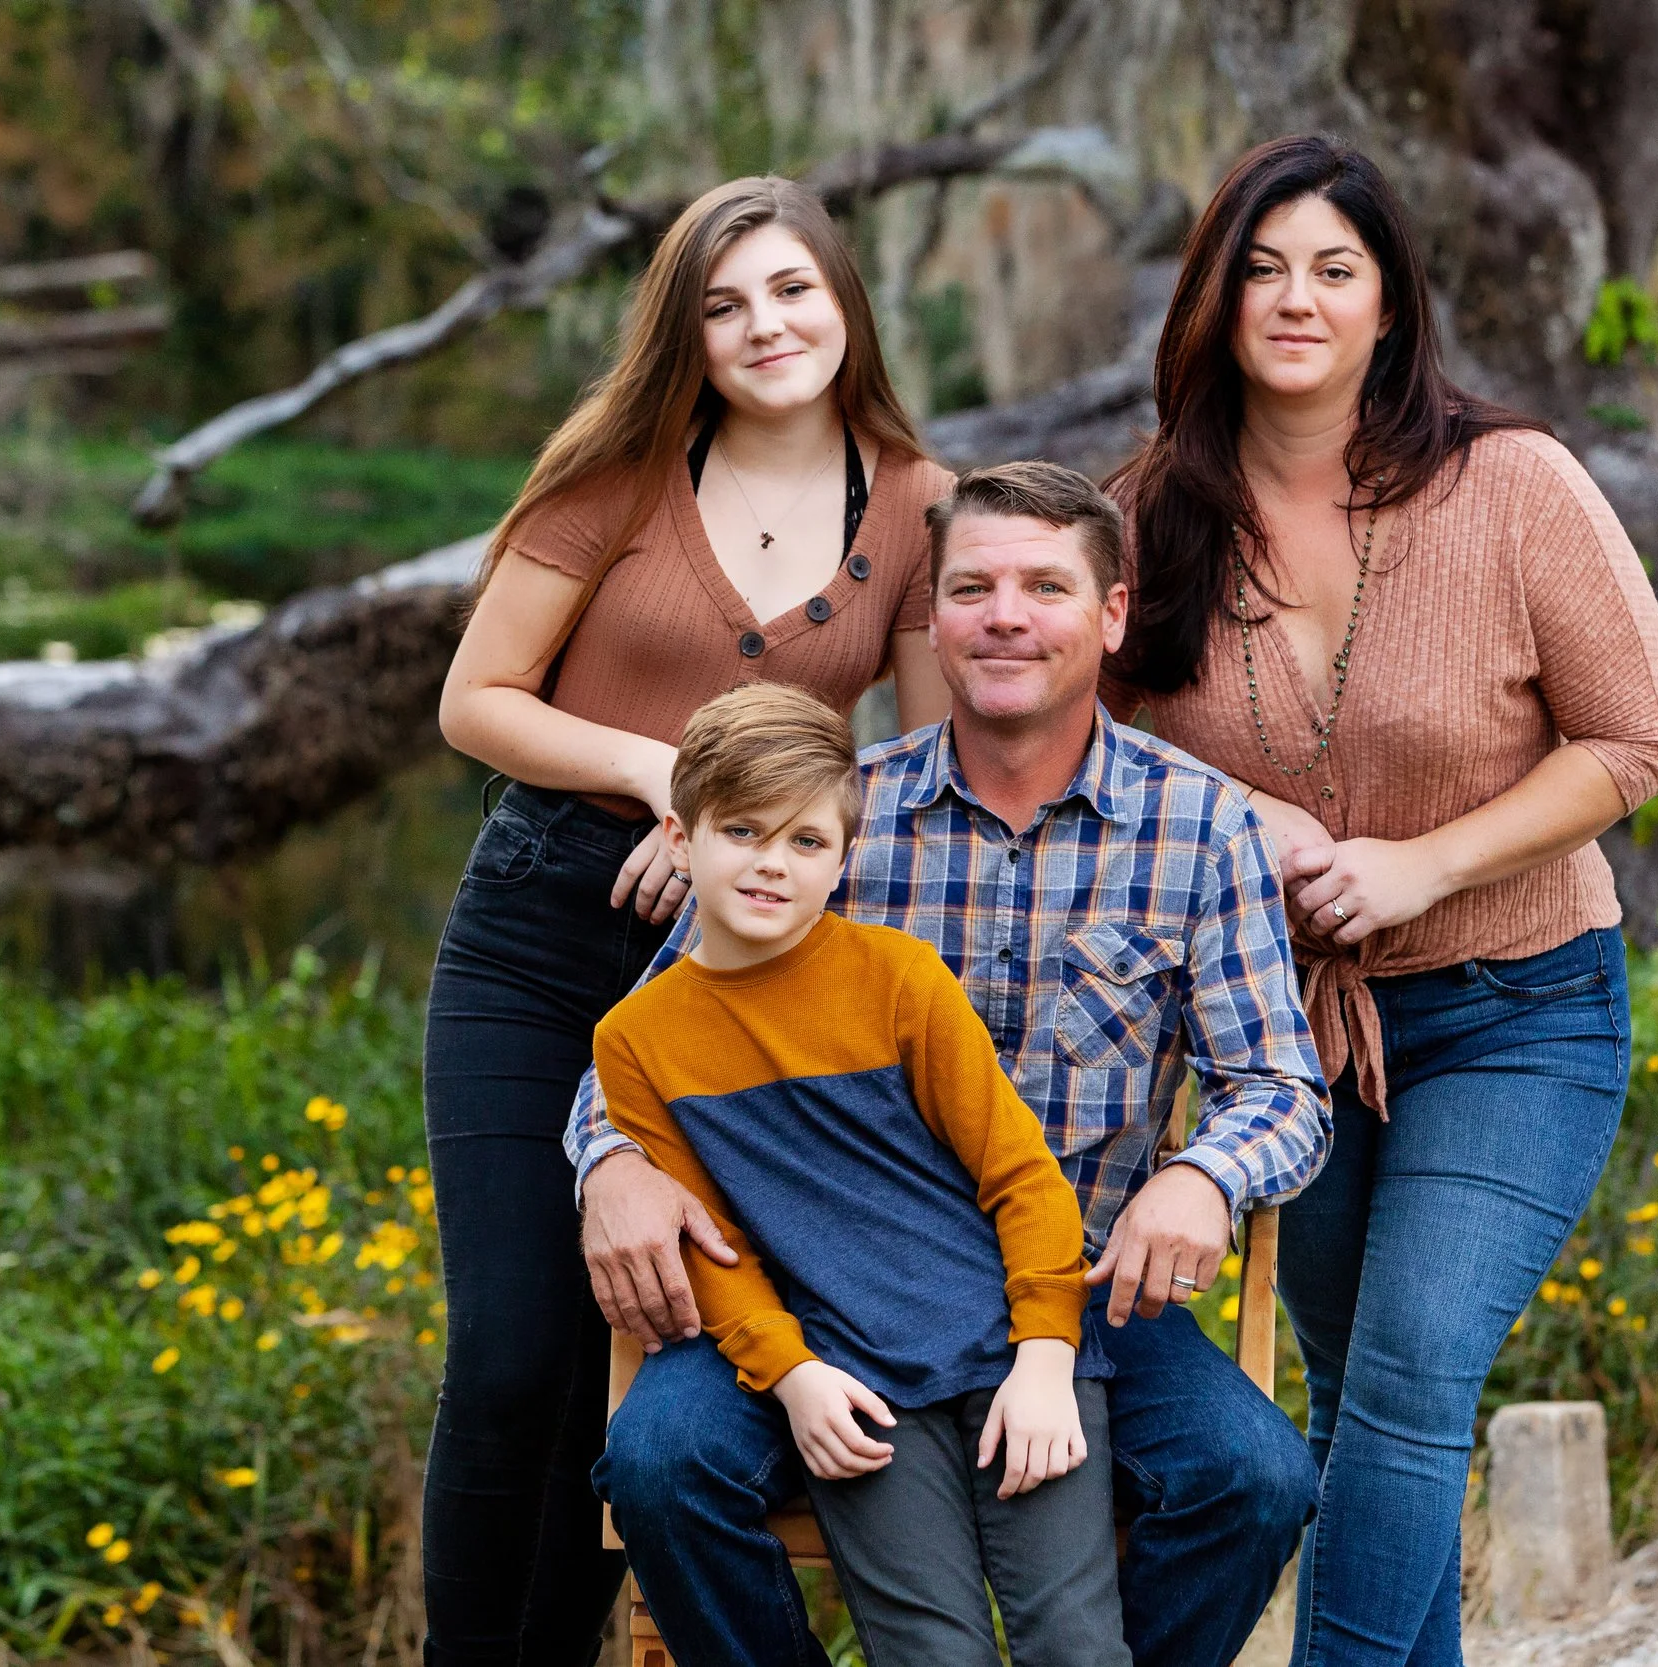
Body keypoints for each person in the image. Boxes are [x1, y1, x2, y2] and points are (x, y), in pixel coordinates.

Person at [571, 461, 1331, 1667]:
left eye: (1045, 585)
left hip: (1077, 1282)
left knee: (1251, 1476)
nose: (1006, 614)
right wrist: (610, 1166)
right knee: (660, 1465)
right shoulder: (822, 818)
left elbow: (1282, 1088)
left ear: (1113, 614)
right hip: (820, 1285)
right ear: (938, 616)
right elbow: (652, 1043)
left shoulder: (1201, 826)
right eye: (971, 586)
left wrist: (1204, 1178)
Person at [1105, 135, 1658, 1667]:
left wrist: (1423, 863)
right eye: (1263, 266)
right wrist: (1243, 813)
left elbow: (1640, 735)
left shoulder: (1513, 487)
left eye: (1335, 269)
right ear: (1214, 298)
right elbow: (1078, 748)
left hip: (1519, 1006)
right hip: (1286, 1038)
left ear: (1387, 306)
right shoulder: (1146, 516)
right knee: (1363, 1384)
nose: (1297, 298)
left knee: (1417, 1365)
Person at [423, 175, 954, 1664]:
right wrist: (667, 775)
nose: (763, 325)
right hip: (541, 934)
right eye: (723, 304)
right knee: (515, 1349)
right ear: (685, 332)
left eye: (791, 290)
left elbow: (905, 770)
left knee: (637, 1335)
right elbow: (478, 701)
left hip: (741, 968)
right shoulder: (615, 472)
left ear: (844, 301)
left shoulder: (914, 500)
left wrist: (752, 850)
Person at [595, 683, 1128, 1667]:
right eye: (742, 829)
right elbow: (707, 1245)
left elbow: (1023, 1176)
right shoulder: (636, 1039)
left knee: (1075, 1640)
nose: (770, 862)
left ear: (843, 860)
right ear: (679, 836)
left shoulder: (897, 976)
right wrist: (792, 1378)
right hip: (853, 1379)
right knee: (930, 1648)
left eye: (806, 841)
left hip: (1012, 1347)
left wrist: (1047, 1356)